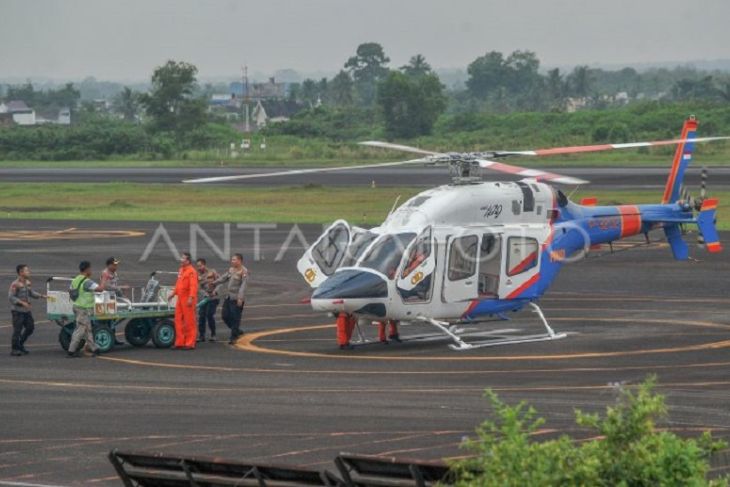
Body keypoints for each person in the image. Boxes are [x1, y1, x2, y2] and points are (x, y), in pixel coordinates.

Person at [67, 261, 106, 358]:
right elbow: (100, 289)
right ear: (87, 269)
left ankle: (95, 349)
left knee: (88, 329)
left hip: (77, 306)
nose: (91, 271)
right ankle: (71, 350)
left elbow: (70, 291)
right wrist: (104, 279)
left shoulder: (75, 279)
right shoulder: (87, 282)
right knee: (80, 330)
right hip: (83, 309)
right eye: (90, 269)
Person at [8, 264, 47, 356]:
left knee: (30, 327)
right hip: (17, 311)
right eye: (26, 271)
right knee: (17, 330)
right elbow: (11, 297)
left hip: (26, 311)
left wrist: (41, 296)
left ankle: (20, 344)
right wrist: (22, 303)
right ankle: (14, 349)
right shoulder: (15, 284)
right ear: (21, 272)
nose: (29, 272)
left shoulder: (28, 283)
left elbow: (31, 293)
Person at [213, 253, 248, 344]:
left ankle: (233, 337)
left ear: (239, 261)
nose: (232, 261)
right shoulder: (231, 270)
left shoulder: (244, 272)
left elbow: (243, 286)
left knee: (235, 317)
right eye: (232, 260)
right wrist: (214, 283)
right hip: (228, 297)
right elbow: (224, 278)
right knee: (225, 316)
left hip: (236, 298)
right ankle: (236, 330)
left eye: (234, 260)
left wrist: (240, 298)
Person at [169, 252, 198, 350]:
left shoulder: (192, 271)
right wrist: (173, 294)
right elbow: (178, 283)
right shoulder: (181, 270)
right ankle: (180, 342)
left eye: (183, 258)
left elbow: (193, 286)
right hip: (180, 299)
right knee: (178, 320)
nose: (181, 260)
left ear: (188, 261)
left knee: (189, 321)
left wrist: (191, 298)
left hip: (187, 298)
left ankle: (190, 343)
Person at [100, 256, 128, 345]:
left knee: (112, 319)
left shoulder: (114, 273)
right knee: (108, 320)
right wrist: (119, 288)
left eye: (116, 265)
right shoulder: (105, 273)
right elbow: (105, 286)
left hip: (113, 298)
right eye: (114, 265)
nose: (116, 267)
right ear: (109, 265)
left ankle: (113, 338)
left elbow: (115, 286)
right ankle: (110, 338)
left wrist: (121, 294)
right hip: (106, 299)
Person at [195, 258, 220, 342]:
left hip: (213, 298)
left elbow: (220, 282)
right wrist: (205, 294)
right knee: (201, 316)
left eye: (200, 265)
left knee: (209, 315)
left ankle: (213, 334)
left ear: (204, 265)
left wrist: (215, 291)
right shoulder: (197, 275)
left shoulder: (212, 272)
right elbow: (198, 288)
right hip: (205, 298)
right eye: (197, 266)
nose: (199, 268)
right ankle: (201, 335)